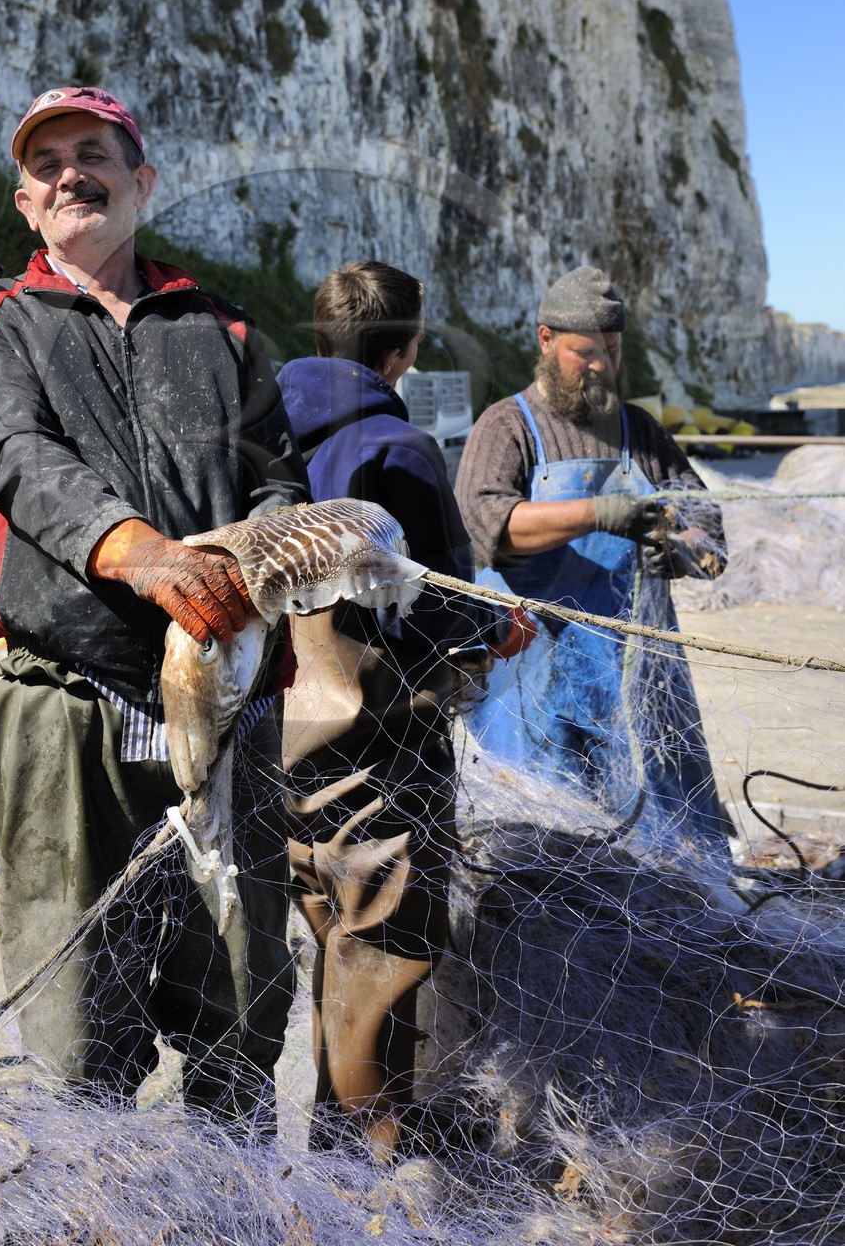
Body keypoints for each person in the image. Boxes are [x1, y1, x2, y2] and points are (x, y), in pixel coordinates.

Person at [0, 85, 309, 1129]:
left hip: (227, 701)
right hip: (67, 702)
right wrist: (131, 548)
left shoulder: (222, 327)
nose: (70, 175)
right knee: (71, 1000)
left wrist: (250, 564)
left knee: (239, 981)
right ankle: (90, 1195)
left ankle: (221, 1190)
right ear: (24, 202)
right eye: (46, 163)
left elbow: (277, 480)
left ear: (141, 181)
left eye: (91, 153)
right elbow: (4, 449)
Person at [276, 260, 521, 1163]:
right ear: (406, 346)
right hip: (380, 740)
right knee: (384, 945)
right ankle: (372, 1153)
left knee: (330, 940)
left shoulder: (268, 438)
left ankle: (338, 1141)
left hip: (288, 735)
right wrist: (494, 624)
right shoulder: (396, 450)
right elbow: (429, 607)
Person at [454, 263, 728, 852]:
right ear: (546, 341)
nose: (601, 364)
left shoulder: (644, 433)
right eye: (585, 352)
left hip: (636, 681)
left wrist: (679, 551)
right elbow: (492, 526)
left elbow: (708, 532)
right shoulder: (506, 427)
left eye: (611, 349)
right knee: (539, 846)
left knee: (661, 841)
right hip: (532, 675)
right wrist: (601, 513)